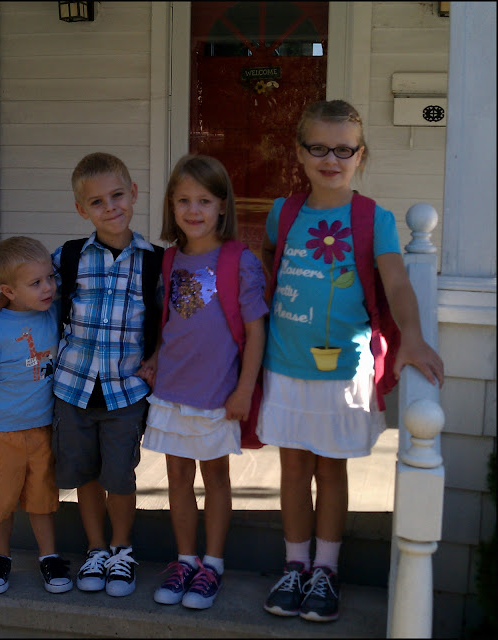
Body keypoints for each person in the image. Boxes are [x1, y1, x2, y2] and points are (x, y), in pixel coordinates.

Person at [258, 100, 445, 622]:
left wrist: (412, 337)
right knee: (293, 469)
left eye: (344, 150)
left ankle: (326, 570)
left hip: (342, 371)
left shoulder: (372, 219)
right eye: (318, 148)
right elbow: (271, 257)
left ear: (360, 155)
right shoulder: (283, 212)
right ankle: (295, 565)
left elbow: (397, 282)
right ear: (299, 153)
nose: (331, 159)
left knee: (330, 469)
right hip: (284, 364)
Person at [0, 153, 163, 598]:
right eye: (96, 201)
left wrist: (158, 356)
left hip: (126, 392)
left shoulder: (155, 262)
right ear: (81, 209)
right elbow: (22, 286)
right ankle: (95, 549)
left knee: (120, 476)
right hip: (73, 390)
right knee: (86, 474)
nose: (110, 207)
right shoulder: (69, 257)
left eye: (117, 195)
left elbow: (170, 319)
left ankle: (121, 550)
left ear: (134, 194)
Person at [139, 154, 268, 610]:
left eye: (204, 201)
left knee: (215, 477)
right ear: (171, 206)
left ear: (222, 205)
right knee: (177, 476)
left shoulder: (239, 261)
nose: (193, 210)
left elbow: (255, 331)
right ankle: (185, 560)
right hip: (172, 390)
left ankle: (212, 564)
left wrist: (244, 389)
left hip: (217, 393)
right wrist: (155, 360)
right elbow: (171, 323)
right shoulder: (170, 259)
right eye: (183, 201)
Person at [0, 236, 72, 596]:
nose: (48, 288)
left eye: (50, 278)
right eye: (36, 283)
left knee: (42, 499)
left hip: (44, 430)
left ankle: (49, 556)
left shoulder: (52, 310)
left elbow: (50, 285)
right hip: (1, 433)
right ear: (8, 291)